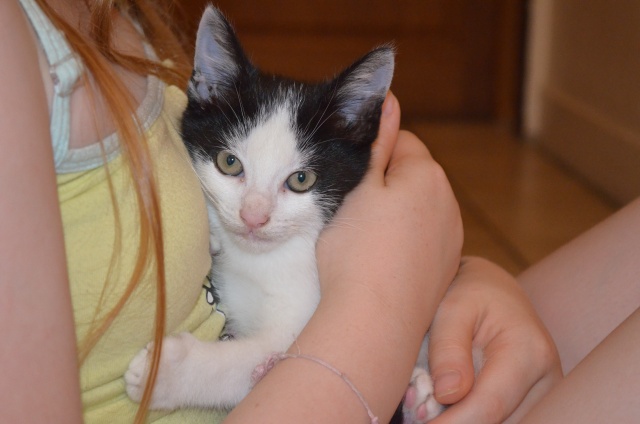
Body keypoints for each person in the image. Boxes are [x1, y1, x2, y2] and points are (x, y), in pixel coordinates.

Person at [0, 0, 566, 423]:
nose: (254, 213)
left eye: (298, 180)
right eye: (230, 164)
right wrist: (388, 305)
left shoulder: (126, 21)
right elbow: (294, 351)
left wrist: (469, 275)